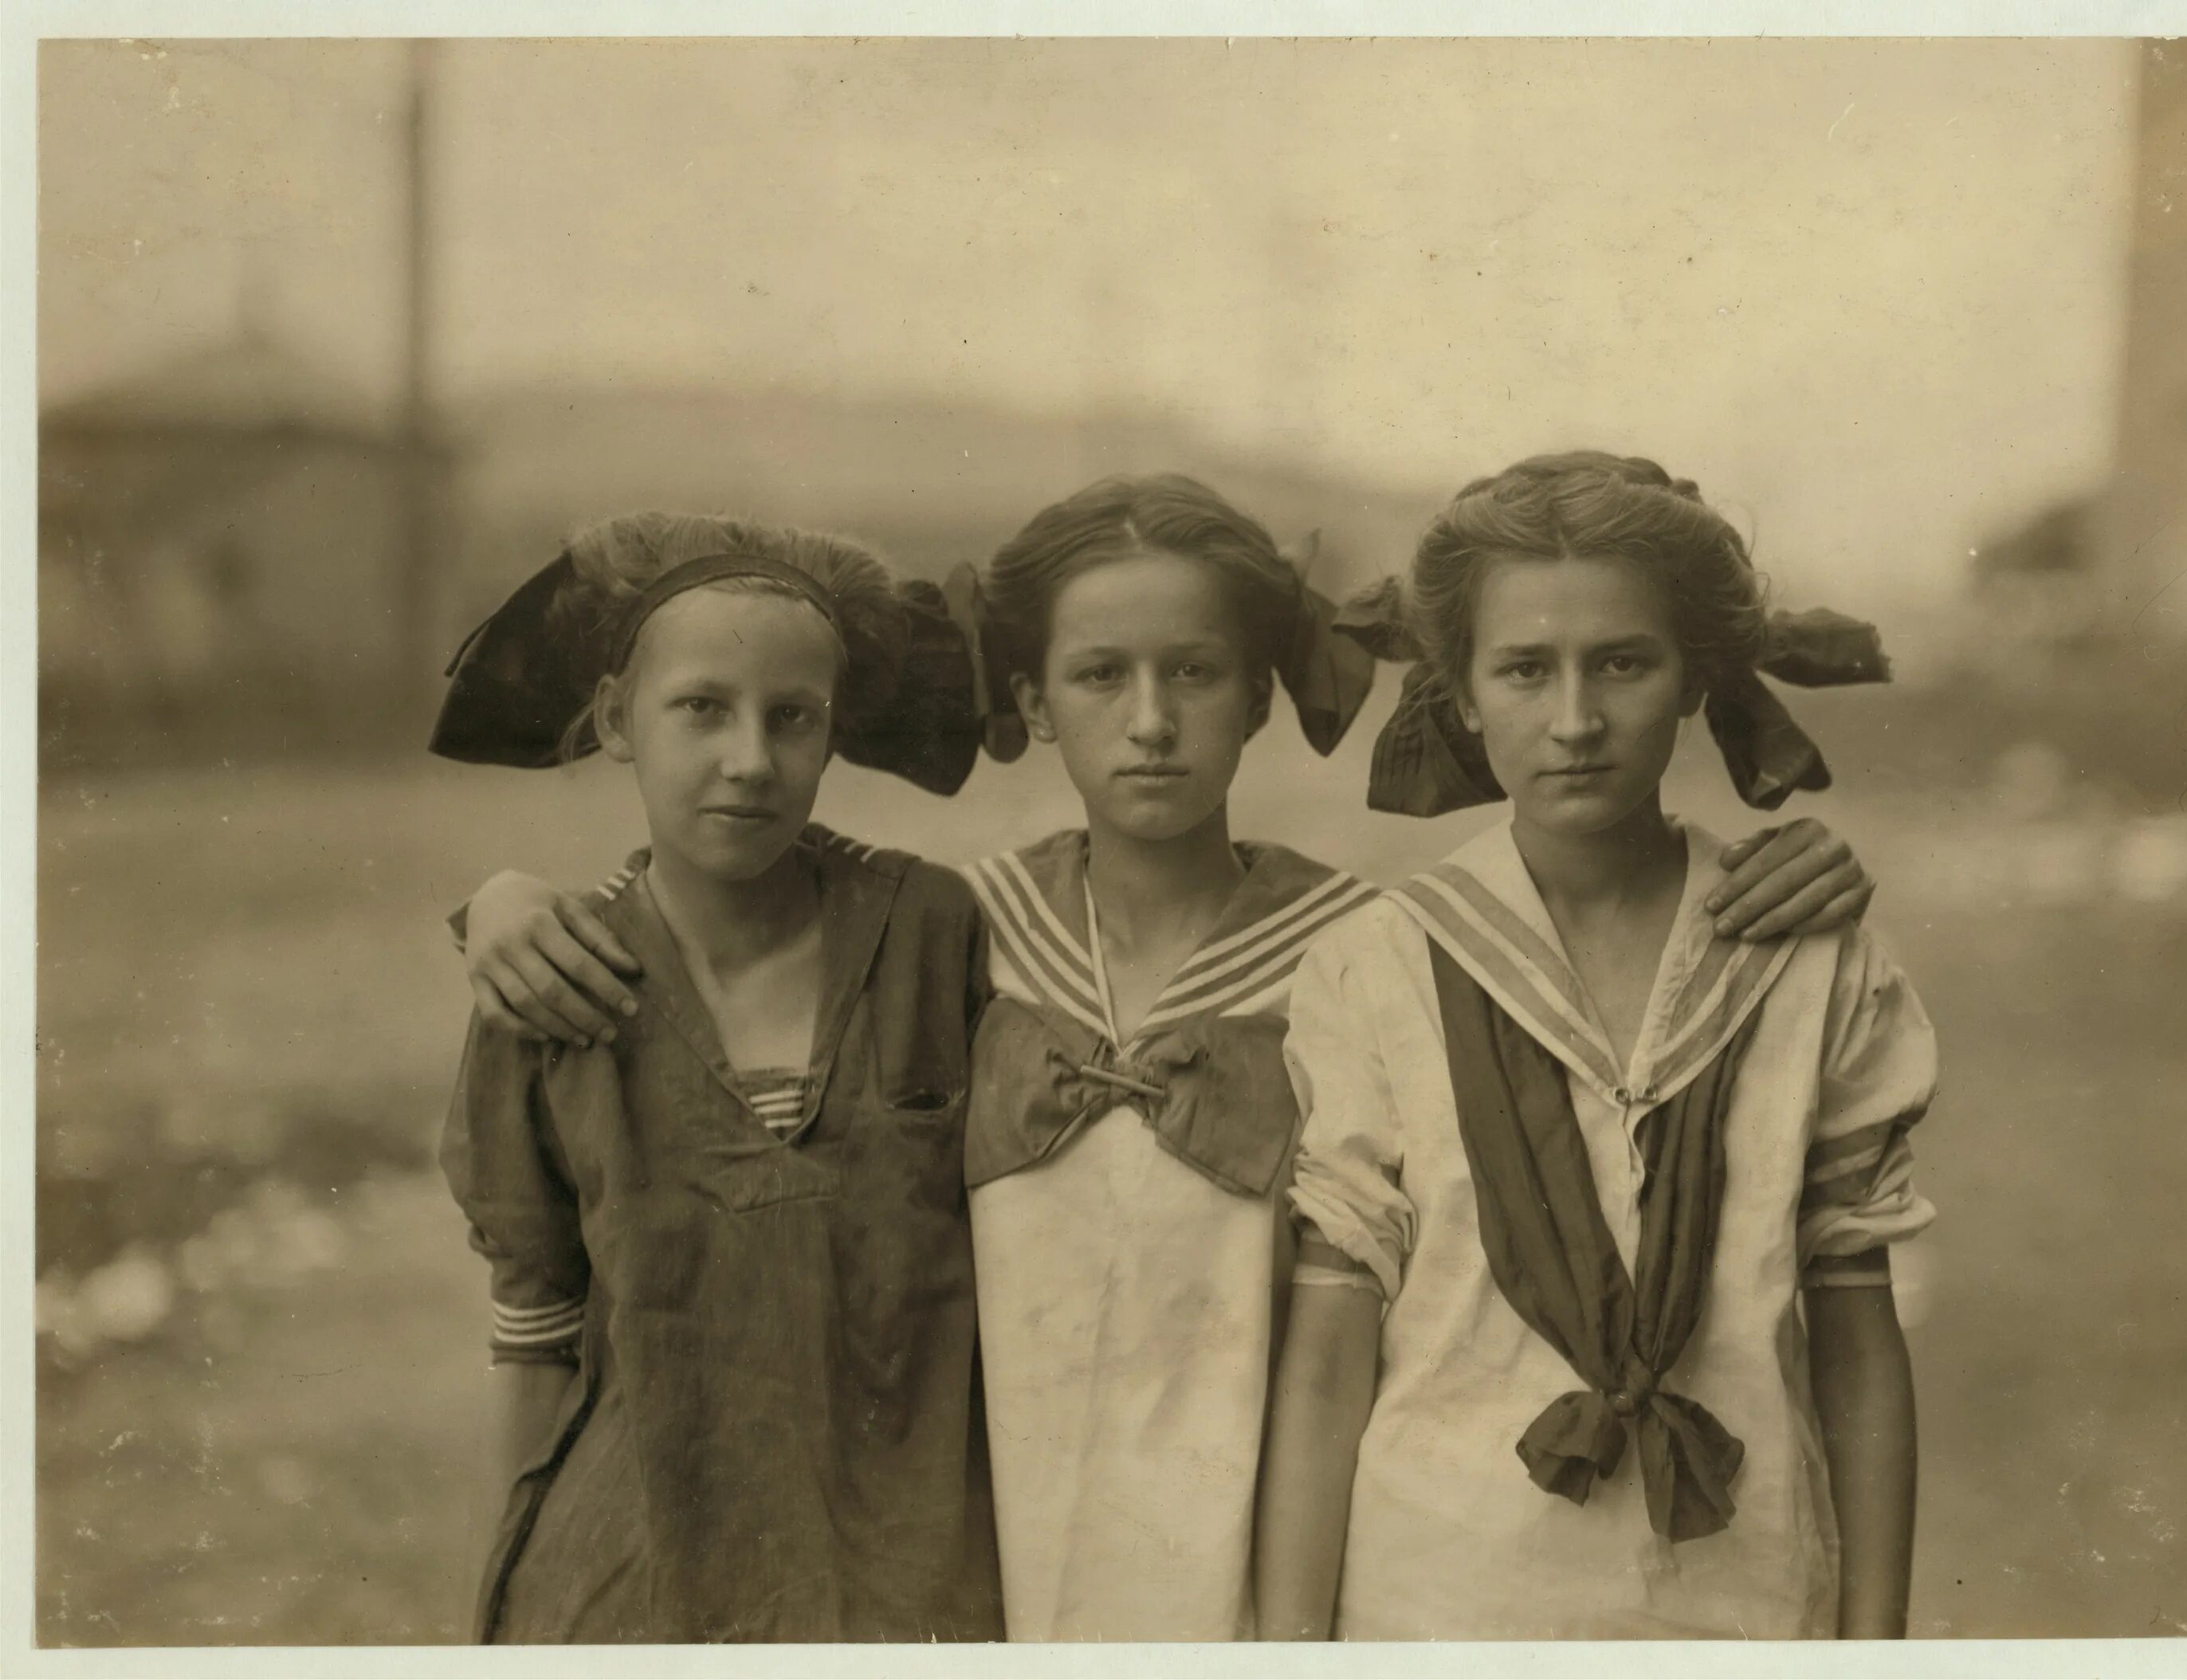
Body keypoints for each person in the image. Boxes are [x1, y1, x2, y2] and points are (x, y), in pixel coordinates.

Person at [452, 477, 1879, 1643]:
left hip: (1266, 1578)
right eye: (1099, 675)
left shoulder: (1363, 949)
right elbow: (738, 917)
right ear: (1031, 699)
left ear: (1260, 696)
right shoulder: (955, 935)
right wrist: (505, 903)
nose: (1149, 722)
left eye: (1195, 674)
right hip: (996, 1571)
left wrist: (1786, 871)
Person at [1253, 452, 1933, 1643]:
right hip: (1440, 1600)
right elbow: (1324, 1362)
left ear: (1693, 680)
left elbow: (1860, 1342)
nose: (1574, 721)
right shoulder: (1378, 967)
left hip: (1749, 1600)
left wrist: (1874, 1648)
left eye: (1622, 663)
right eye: (1524, 669)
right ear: (1461, 695)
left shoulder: (1814, 962)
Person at [429, 512, 1003, 1643]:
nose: (750, 759)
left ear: (832, 737)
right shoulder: (547, 990)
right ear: (615, 721)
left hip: (903, 1589)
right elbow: (533, 1328)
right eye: (702, 708)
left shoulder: (934, 932)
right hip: (632, 1590)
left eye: (791, 718)